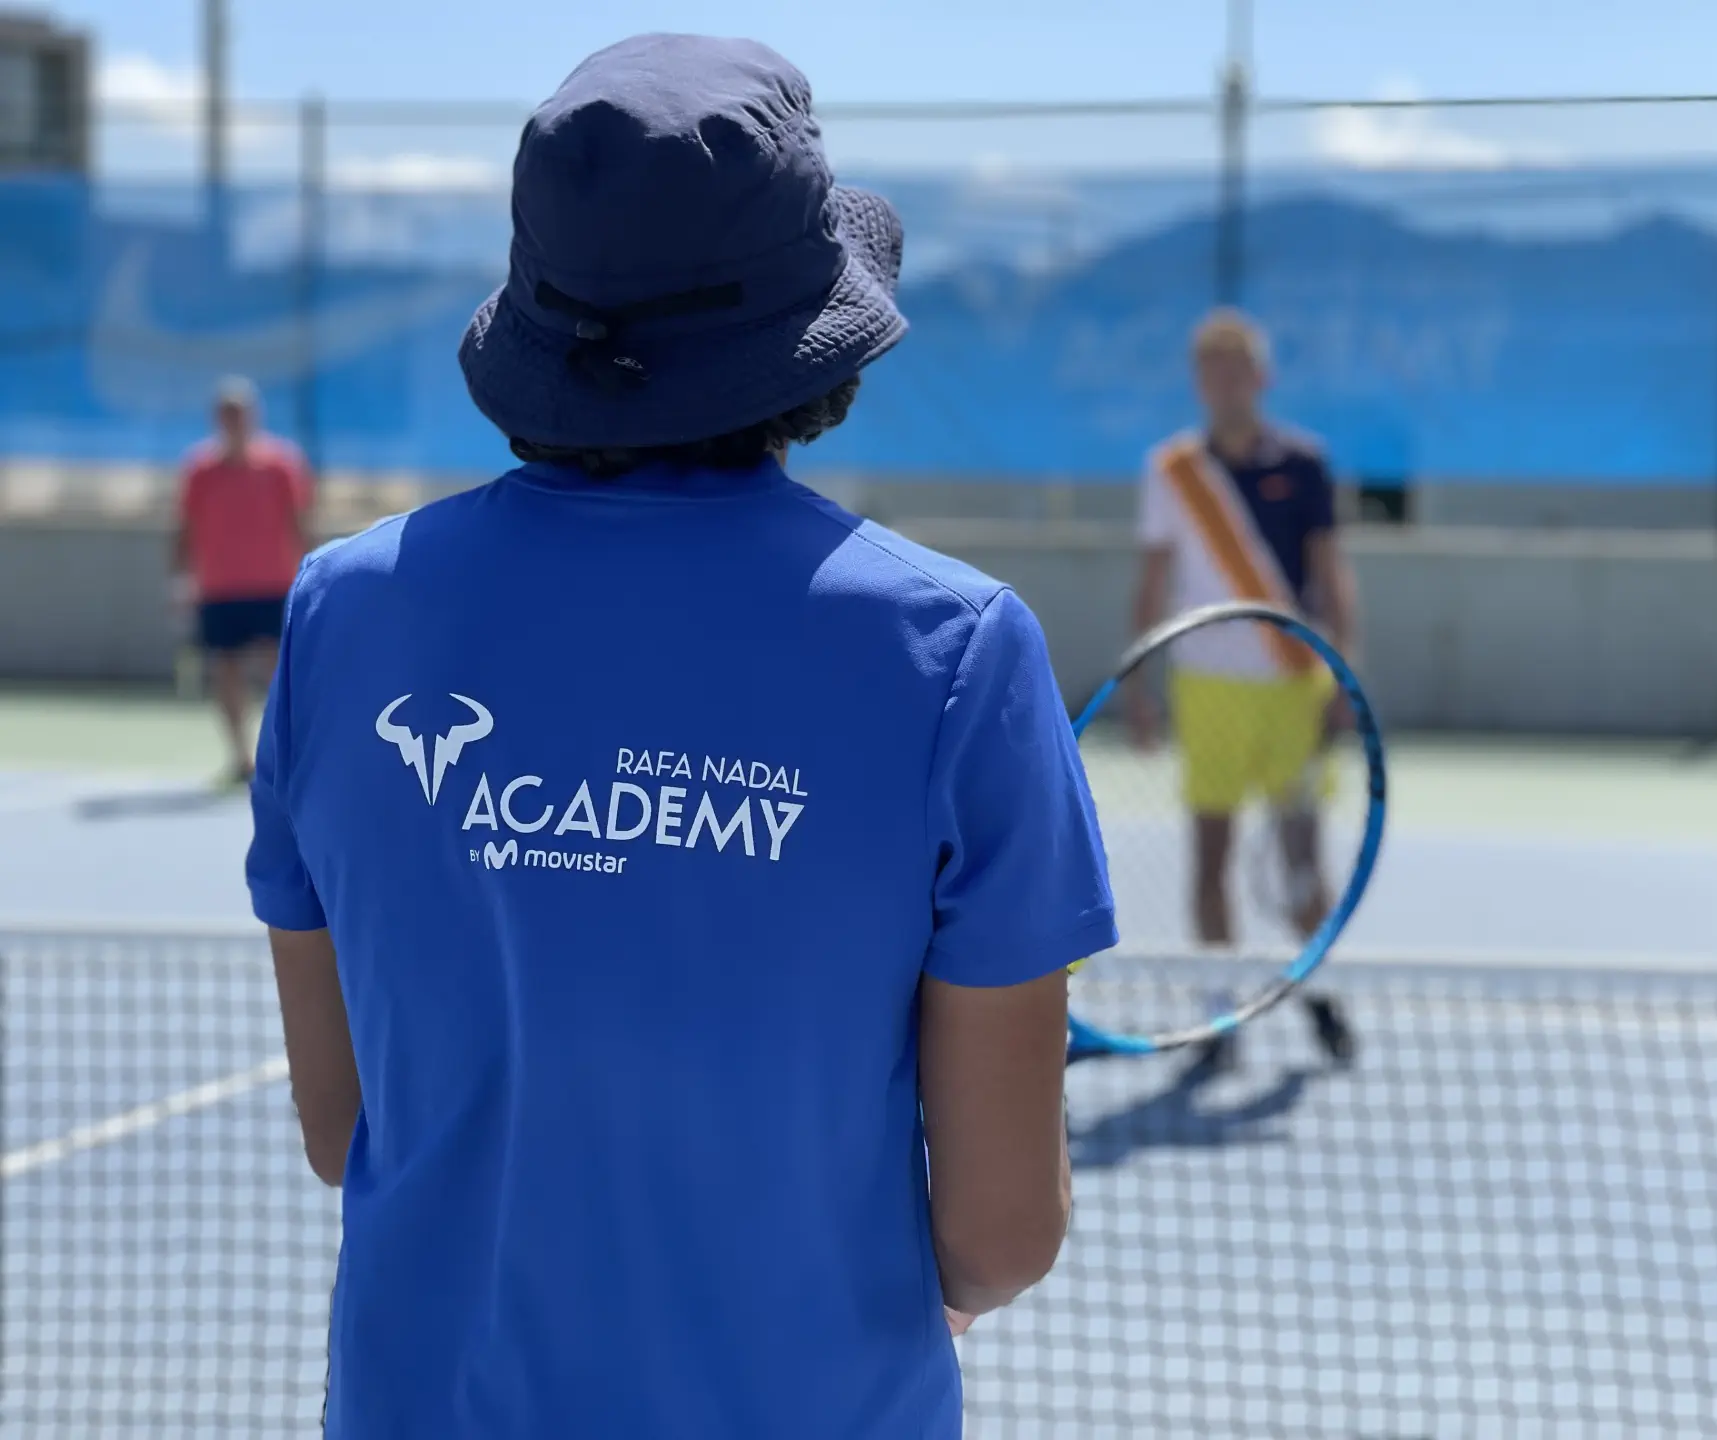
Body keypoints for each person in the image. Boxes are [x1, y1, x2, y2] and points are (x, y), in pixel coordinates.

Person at [246, 35, 1115, 1439]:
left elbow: (346, 1131)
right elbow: (998, 1234)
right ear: (809, 337)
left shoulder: (341, 614)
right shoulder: (956, 651)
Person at [1129, 309, 1359, 1064]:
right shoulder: (1171, 472)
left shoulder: (1306, 464)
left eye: (1237, 370)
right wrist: (1140, 685)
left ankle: (1320, 996)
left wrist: (1342, 675)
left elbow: (1331, 575)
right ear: (1198, 382)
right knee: (1212, 858)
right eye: (1211, 371)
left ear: (1262, 378)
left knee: (1301, 864)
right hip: (1207, 691)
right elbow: (1153, 582)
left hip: (1293, 687)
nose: (1224, 384)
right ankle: (1217, 1013)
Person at [173, 376, 313, 783]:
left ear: (254, 416)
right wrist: (179, 580)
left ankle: (284, 754)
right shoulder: (199, 469)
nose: (234, 422)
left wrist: (313, 575)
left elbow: (300, 522)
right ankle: (240, 757)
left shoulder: (282, 464)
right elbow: (185, 527)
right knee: (226, 669)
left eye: (241, 414)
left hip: (273, 583)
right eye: (227, 414)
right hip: (220, 586)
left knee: (280, 672)